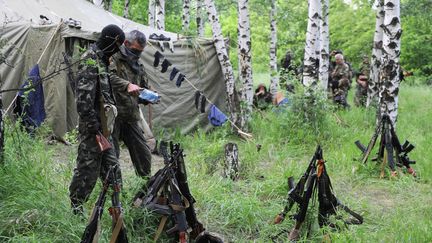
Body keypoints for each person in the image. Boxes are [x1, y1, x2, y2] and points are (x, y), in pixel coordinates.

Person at [69, 24, 125, 214]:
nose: (117, 51)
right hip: (93, 129)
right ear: (112, 40)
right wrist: (94, 129)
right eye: (117, 45)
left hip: (104, 129)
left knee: (113, 170)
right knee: (87, 171)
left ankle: (117, 210)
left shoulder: (102, 61)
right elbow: (83, 100)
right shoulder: (90, 60)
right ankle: (76, 209)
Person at [108, 30, 153, 180]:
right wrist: (127, 85)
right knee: (112, 158)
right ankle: (114, 191)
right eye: (135, 50)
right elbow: (107, 78)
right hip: (113, 117)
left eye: (140, 52)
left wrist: (149, 96)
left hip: (131, 117)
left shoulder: (137, 65)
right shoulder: (113, 58)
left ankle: (145, 188)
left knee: (144, 155)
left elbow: (142, 88)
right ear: (126, 44)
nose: (137, 55)